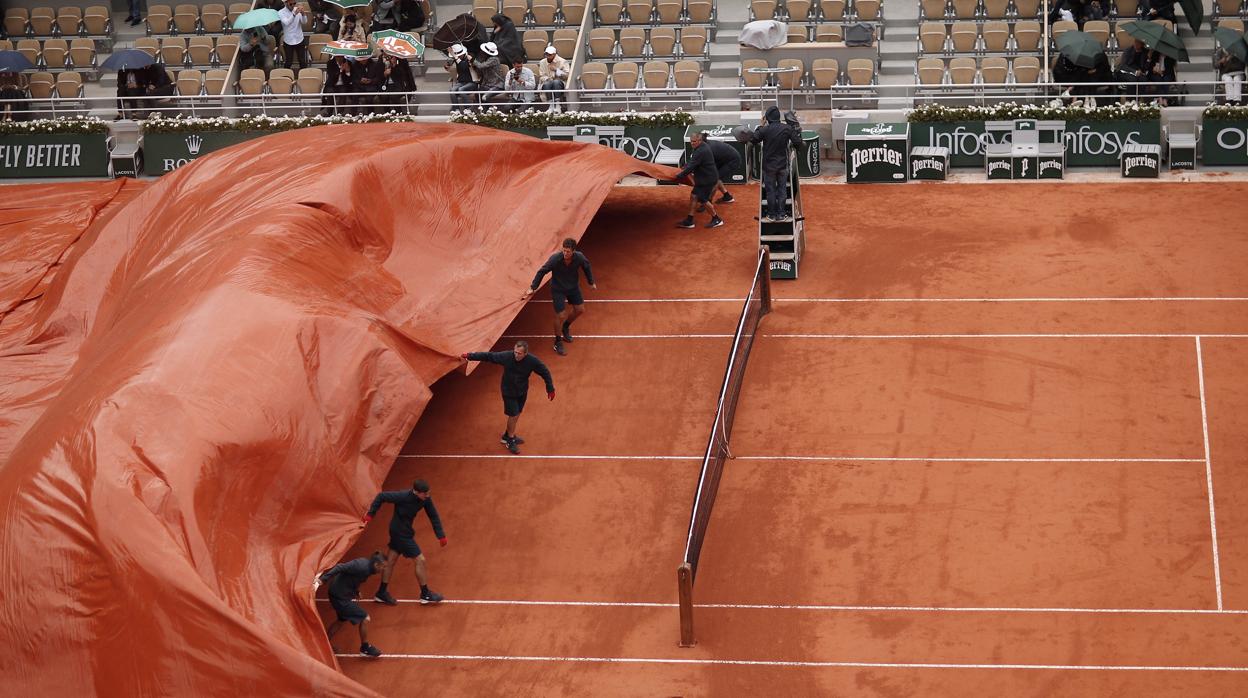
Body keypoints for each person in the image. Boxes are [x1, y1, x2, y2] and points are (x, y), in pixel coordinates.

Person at [461, 341, 555, 454]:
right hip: (508, 391)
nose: (516, 355)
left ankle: (506, 435)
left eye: (519, 353)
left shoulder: (532, 361)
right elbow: (488, 356)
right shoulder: (506, 356)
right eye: (515, 352)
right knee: (513, 414)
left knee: (518, 412)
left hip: (522, 391)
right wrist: (470, 356)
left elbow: (545, 372)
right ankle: (510, 440)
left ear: (525, 354)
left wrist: (550, 388)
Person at [364, 478, 447, 606]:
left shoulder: (425, 499)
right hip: (400, 534)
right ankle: (425, 595)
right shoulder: (402, 496)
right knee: (420, 560)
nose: (427, 495)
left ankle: (381, 593)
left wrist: (440, 535)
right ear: (416, 492)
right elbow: (381, 496)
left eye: (428, 493)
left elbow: (433, 516)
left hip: (404, 531)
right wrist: (370, 515)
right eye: (425, 493)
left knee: (390, 562)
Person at [527, 238, 596, 357]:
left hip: (573, 287)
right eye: (564, 250)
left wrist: (591, 282)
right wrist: (533, 287)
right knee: (560, 315)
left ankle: (565, 327)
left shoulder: (579, 257)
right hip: (557, 289)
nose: (565, 253)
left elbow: (587, 267)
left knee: (580, 310)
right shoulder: (555, 259)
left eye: (568, 251)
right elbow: (542, 271)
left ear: (573, 251)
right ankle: (558, 341)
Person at [315, 551, 386, 657]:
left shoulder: (368, 569)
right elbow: (340, 567)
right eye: (383, 567)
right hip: (340, 597)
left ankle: (324, 645)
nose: (383, 569)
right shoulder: (361, 566)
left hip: (341, 594)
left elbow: (354, 579)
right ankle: (365, 648)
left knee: (341, 620)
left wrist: (356, 591)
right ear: (376, 565)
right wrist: (323, 579)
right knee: (365, 618)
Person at [752, 105, 802, 222]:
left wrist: (761, 125)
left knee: (770, 191)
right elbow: (797, 142)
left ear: (768, 118)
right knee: (782, 189)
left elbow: (754, 139)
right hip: (782, 165)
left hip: (768, 166)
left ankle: (771, 214)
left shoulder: (764, 130)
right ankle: (781, 214)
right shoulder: (787, 128)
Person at [672, 131, 724, 229]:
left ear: (700, 141)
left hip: (707, 180)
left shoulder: (701, 151)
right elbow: (692, 162)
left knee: (703, 200)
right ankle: (689, 220)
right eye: (691, 141)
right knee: (694, 196)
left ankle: (716, 219)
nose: (692, 143)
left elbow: (692, 166)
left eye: (694, 141)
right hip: (704, 178)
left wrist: (679, 176)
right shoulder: (699, 147)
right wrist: (685, 167)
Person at [706, 139, 740, 206]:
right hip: (723, 159)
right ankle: (727, 197)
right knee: (716, 177)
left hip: (732, 161)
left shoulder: (709, 149)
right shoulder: (706, 145)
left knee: (715, 179)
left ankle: (709, 201)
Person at [278, 0, 309, 71]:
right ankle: (286, 77)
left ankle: (304, 77)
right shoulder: (281, 12)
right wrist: (294, 14)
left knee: (302, 61)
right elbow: (286, 23)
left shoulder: (297, 10)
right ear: (285, 3)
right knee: (289, 61)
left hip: (299, 38)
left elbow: (304, 22)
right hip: (288, 40)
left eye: (294, 3)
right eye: (291, 4)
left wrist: (303, 14)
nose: (293, 5)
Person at [538, 45, 569, 112]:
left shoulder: (563, 61)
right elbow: (542, 76)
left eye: (549, 54)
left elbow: (567, 75)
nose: (547, 56)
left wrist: (556, 70)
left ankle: (557, 105)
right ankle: (551, 105)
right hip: (548, 81)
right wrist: (547, 79)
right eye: (546, 54)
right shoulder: (542, 62)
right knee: (547, 84)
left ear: (554, 54)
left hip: (560, 82)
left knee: (556, 82)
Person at [446, 43, 478, 107]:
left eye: (459, 55)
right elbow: (453, 65)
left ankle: (468, 107)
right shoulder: (457, 60)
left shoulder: (470, 57)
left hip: (472, 82)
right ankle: (456, 109)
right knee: (452, 91)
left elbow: (463, 66)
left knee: (461, 90)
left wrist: (455, 57)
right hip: (461, 82)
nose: (458, 56)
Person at [475, 42, 507, 106]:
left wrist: (473, 60)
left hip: (497, 85)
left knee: (485, 97)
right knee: (477, 94)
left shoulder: (494, 59)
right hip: (488, 84)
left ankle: (490, 111)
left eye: (483, 51)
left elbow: (481, 66)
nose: (482, 52)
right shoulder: (485, 59)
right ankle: (485, 110)